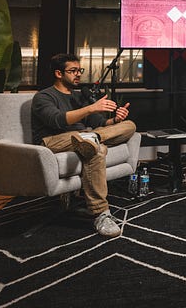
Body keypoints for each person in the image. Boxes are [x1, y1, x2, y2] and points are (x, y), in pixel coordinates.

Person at [31, 53, 137, 237]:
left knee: (129, 126)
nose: (78, 74)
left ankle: (92, 138)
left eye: (79, 70)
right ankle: (101, 214)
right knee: (92, 147)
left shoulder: (78, 97)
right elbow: (57, 120)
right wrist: (90, 108)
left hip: (84, 138)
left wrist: (115, 120)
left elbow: (99, 122)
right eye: (73, 71)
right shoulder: (43, 96)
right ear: (58, 73)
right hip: (53, 140)